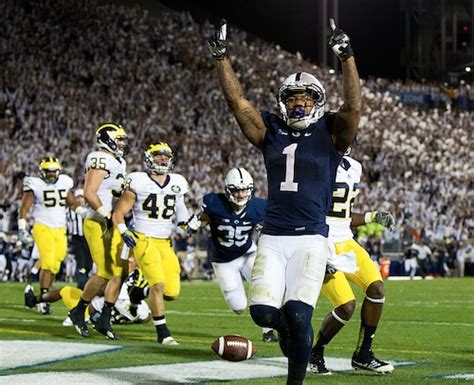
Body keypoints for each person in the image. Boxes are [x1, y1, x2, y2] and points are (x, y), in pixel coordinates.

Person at [208, 18, 361, 384]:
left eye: (305, 98)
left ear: (317, 103)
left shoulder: (330, 133)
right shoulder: (270, 130)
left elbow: (353, 108)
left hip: (310, 237)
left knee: (298, 313)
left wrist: (348, 59)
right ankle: (291, 338)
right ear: (282, 103)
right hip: (273, 237)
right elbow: (237, 102)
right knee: (263, 314)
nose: (298, 104)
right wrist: (221, 59)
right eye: (292, 99)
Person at [308, 155, 395, 375]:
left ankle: (363, 354)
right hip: (321, 241)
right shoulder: (315, 164)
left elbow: (343, 215)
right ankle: (315, 352)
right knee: (346, 307)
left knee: (377, 289)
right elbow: (306, 211)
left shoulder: (354, 167)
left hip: (346, 241)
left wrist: (372, 216)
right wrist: (317, 251)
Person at [112, 142, 193, 345]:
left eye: (166, 156)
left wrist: (188, 224)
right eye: (158, 156)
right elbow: (119, 212)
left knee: (171, 292)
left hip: (165, 242)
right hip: (143, 239)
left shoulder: (177, 182)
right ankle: (163, 332)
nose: (163, 159)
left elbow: (181, 211)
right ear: (149, 158)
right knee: (157, 284)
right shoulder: (138, 180)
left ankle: (138, 291)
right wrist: (123, 231)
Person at [195, 167, 278, 343]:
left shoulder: (259, 206)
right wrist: (197, 222)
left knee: (265, 287)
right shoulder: (214, 202)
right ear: (227, 190)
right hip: (223, 260)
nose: (240, 194)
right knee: (239, 307)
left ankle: (268, 330)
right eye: (236, 190)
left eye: (244, 190)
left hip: (248, 252)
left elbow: (272, 223)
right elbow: (204, 218)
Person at [68, 123, 128, 339]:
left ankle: (104, 318)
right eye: (119, 139)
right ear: (107, 138)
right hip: (97, 221)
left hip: (110, 221)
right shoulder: (99, 157)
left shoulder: (118, 161)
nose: (122, 143)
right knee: (105, 272)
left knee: (120, 272)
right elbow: (89, 192)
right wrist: (106, 215)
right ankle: (78, 311)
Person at [21, 156, 84, 314]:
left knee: (56, 264)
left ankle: (45, 293)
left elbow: (71, 202)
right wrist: (22, 227)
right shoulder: (34, 184)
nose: (51, 175)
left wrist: (84, 213)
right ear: (42, 172)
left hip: (60, 228)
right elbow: (24, 208)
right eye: (48, 172)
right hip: (43, 226)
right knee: (48, 263)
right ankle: (42, 298)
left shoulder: (64, 182)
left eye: (53, 172)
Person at [66, 188, 93, 289]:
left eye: (82, 197)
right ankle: (81, 284)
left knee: (89, 264)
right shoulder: (69, 211)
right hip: (76, 239)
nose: (80, 200)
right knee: (81, 262)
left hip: (88, 240)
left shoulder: (90, 210)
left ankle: (84, 282)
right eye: (78, 197)